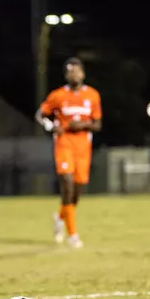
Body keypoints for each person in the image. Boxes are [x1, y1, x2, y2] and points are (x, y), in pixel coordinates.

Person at [35, 57, 102, 249]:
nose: (76, 74)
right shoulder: (57, 96)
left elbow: (98, 124)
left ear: (83, 73)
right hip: (64, 144)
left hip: (83, 147)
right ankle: (73, 235)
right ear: (66, 75)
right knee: (68, 184)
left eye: (78, 71)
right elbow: (39, 115)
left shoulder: (93, 95)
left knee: (77, 193)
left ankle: (60, 217)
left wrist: (83, 124)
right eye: (71, 71)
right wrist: (50, 127)